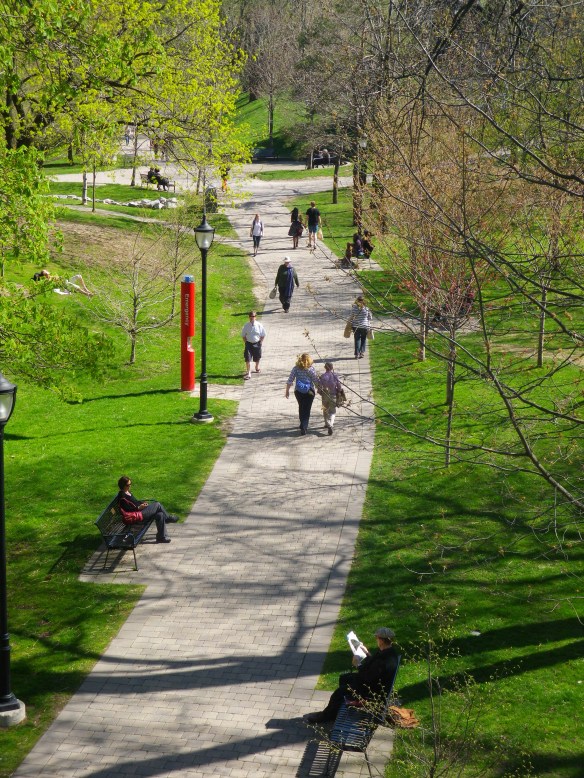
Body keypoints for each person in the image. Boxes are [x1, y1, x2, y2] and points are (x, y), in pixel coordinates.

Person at [304, 627, 399, 723]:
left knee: (339, 692)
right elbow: (374, 667)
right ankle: (334, 710)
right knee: (344, 678)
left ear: (382, 640)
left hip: (371, 691)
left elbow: (367, 677)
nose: (376, 639)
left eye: (377, 638)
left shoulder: (384, 660)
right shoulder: (388, 653)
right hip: (375, 685)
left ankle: (327, 716)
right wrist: (366, 652)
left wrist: (357, 665)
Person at [116, 476, 179, 544]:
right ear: (123, 485)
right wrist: (138, 508)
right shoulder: (122, 496)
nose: (130, 486)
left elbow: (135, 502)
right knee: (157, 504)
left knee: (160, 514)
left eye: (130, 484)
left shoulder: (127, 492)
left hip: (140, 512)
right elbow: (127, 510)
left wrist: (142, 504)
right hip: (136, 517)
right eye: (128, 485)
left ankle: (162, 537)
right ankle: (168, 518)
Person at [285, 353, 319, 435]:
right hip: (309, 392)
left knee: (301, 406)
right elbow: (316, 380)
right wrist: (320, 389)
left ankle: (302, 423)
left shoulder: (296, 368)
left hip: (298, 391)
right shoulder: (311, 369)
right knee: (307, 409)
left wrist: (287, 391)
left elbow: (290, 380)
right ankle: (304, 427)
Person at [318, 362, 342, 435]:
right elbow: (339, 386)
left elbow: (319, 388)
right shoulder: (334, 376)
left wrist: (320, 392)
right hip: (333, 395)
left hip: (325, 395)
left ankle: (327, 423)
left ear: (325, 368)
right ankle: (331, 424)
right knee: (332, 411)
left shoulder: (322, 376)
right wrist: (339, 391)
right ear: (332, 368)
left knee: (325, 410)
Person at [241, 310, 266, 379]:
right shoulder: (246, 326)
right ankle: (249, 372)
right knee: (247, 358)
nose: (252, 318)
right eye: (251, 316)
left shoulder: (259, 325)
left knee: (257, 357)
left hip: (257, 343)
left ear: (256, 317)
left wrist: (260, 342)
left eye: (254, 316)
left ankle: (256, 367)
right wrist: (246, 342)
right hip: (248, 344)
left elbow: (263, 334)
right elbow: (243, 335)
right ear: (249, 317)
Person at [348, 294, 372, 359]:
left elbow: (351, 316)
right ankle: (362, 353)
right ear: (364, 301)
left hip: (356, 326)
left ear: (357, 301)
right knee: (363, 339)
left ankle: (357, 354)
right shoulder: (366, 309)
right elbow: (370, 318)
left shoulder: (354, 308)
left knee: (357, 340)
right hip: (364, 326)